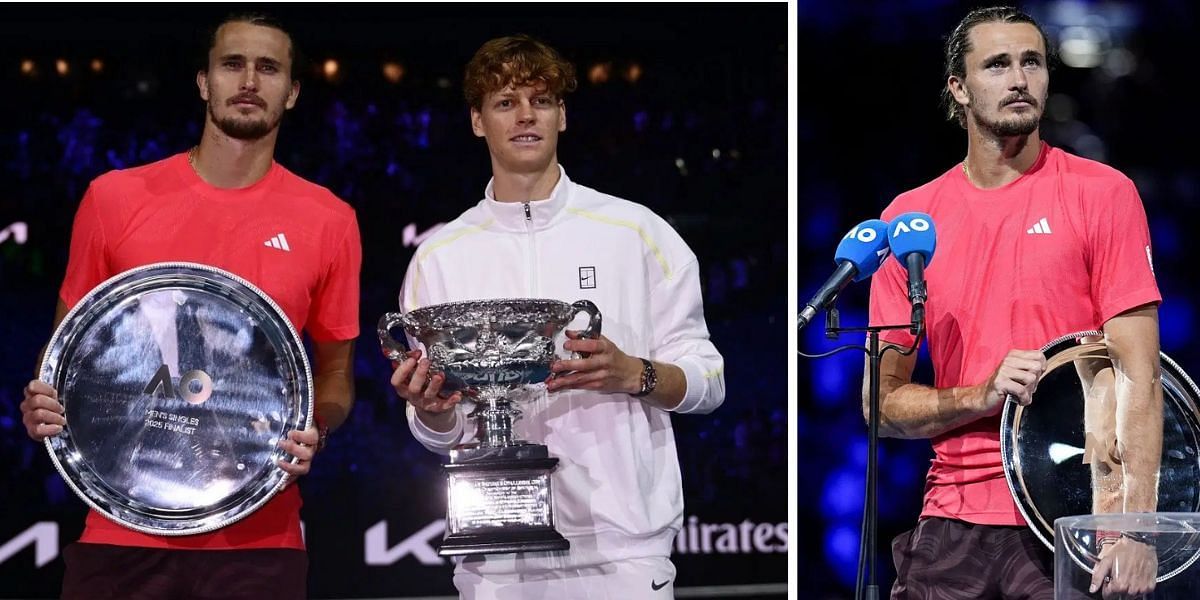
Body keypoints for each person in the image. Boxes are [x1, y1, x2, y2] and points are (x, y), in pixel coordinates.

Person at [18, 13, 360, 599]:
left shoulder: (329, 220)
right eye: (233, 64)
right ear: (204, 81)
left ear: (292, 91)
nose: (249, 80)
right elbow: (65, 361)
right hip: (120, 535)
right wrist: (43, 407)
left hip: (260, 542)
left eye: (269, 68)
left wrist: (316, 428)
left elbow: (333, 377)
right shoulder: (114, 198)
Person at [389, 34, 725, 599]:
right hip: (494, 560)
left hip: (623, 553)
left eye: (541, 101)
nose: (525, 116)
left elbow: (709, 380)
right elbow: (437, 429)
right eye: (505, 102)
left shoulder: (636, 232)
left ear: (562, 115)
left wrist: (635, 374)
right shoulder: (441, 255)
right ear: (477, 121)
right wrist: (429, 409)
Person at [865, 6, 1162, 599]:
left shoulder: (1103, 194)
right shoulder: (908, 222)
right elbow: (881, 404)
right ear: (959, 88)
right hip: (950, 519)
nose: (1020, 78)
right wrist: (984, 394)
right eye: (997, 65)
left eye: (1032, 62)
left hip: (1072, 518)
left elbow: (1139, 375)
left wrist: (1134, 526)